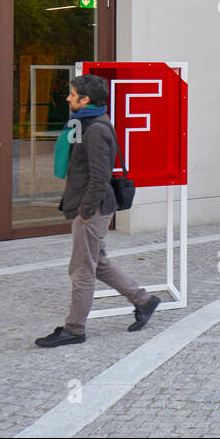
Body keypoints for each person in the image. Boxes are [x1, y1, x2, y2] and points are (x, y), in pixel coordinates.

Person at [35, 74, 159, 347]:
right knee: (98, 264)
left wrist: (85, 212)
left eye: (72, 94)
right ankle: (144, 300)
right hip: (90, 207)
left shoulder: (97, 129)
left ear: (85, 99)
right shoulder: (84, 122)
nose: (67, 98)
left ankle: (75, 329)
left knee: (81, 270)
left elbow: (99, 176)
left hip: (93, 209)